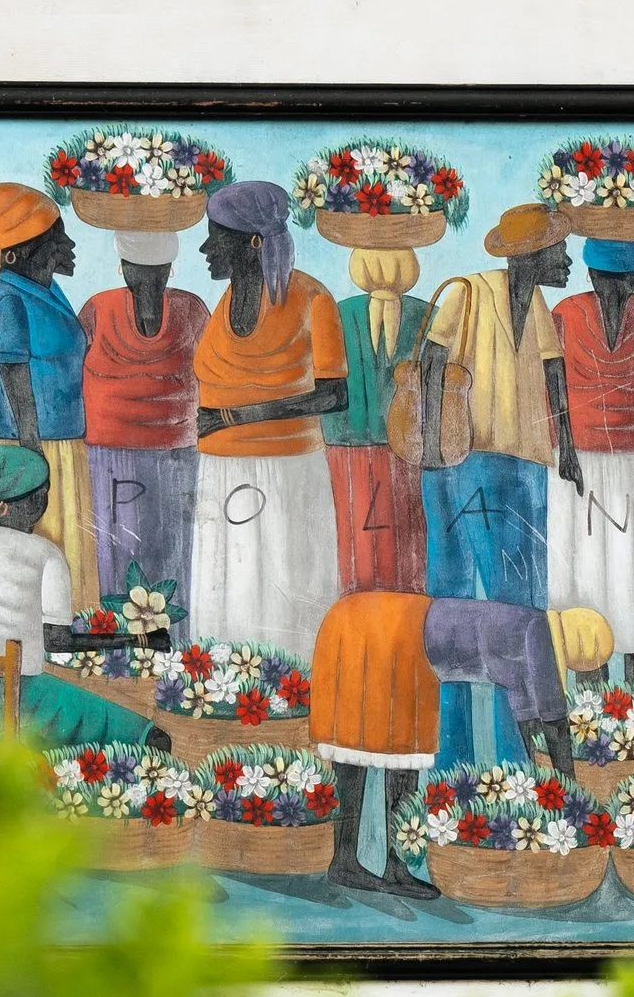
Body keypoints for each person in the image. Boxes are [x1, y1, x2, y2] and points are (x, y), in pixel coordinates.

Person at [308, 592, 613, 911]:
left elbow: (531, 721)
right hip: (392, 631)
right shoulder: (539, 632)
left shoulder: (526, 626)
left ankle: (354, 862)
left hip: (371, 623)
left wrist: (549, 786)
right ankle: (374, 866)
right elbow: (554, 724)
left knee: (358, 738)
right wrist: (572, 795)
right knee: (396, 747)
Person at [413, 204, 582, 768]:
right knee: (451, 611)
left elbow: (554, 374)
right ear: (532, 253)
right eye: (558, 249)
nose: (566, 259)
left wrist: (568, 446)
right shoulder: (470, 292)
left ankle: (516, 759)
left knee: (523, 613)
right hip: (462, 461)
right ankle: (451, 758)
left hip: (524, 465)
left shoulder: (538, 305)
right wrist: (432, 444)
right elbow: (431, 361)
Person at [191, 179, 347, 663]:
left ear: (253, 242)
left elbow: (334, 395)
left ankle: (291, 687)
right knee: (229, 586)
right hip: (221, 469)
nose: (206, 250)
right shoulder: (223, 303)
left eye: (216, 238)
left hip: (287, 471)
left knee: (283, 584)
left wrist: (236, 416)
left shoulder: (312, 300)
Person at [0, 444, 173, 755]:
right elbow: (57, 642)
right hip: (3, 708)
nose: (43, 503)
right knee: (150, 737)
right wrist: (138, 639)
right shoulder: (44, 554)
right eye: (37, 497)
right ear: (2, 508)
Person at [0, 183, 95, 608]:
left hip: (52, 443)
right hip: (20, 450)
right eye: (56, 240)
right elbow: (15, 379)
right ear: (16, 255)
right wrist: (34, 462)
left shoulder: (45, 291)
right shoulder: (10, 299)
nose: (68, 247)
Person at [547, 230, 634, 683]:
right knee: (584, 578)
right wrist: (565, 446)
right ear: (591, 275)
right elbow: (551, 384)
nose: (614, 290)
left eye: (622, 280)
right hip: (578, 462)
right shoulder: (565, 313)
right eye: (605, 279)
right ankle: (589, 699)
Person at [75, 223, 207, 633]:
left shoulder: (98, 307)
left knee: (118, 555)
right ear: (169, 268)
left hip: (118, 454)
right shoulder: (191, 309)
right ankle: (170, 647)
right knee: (169, 557)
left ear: (122, 267)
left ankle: (121, 648)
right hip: (169, 452)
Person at [318, 234, 431, 593]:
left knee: (393, 541)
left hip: (399, 451)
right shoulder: (339, 314)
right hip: (352, 448)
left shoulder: (427, 315)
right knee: (369, 541)